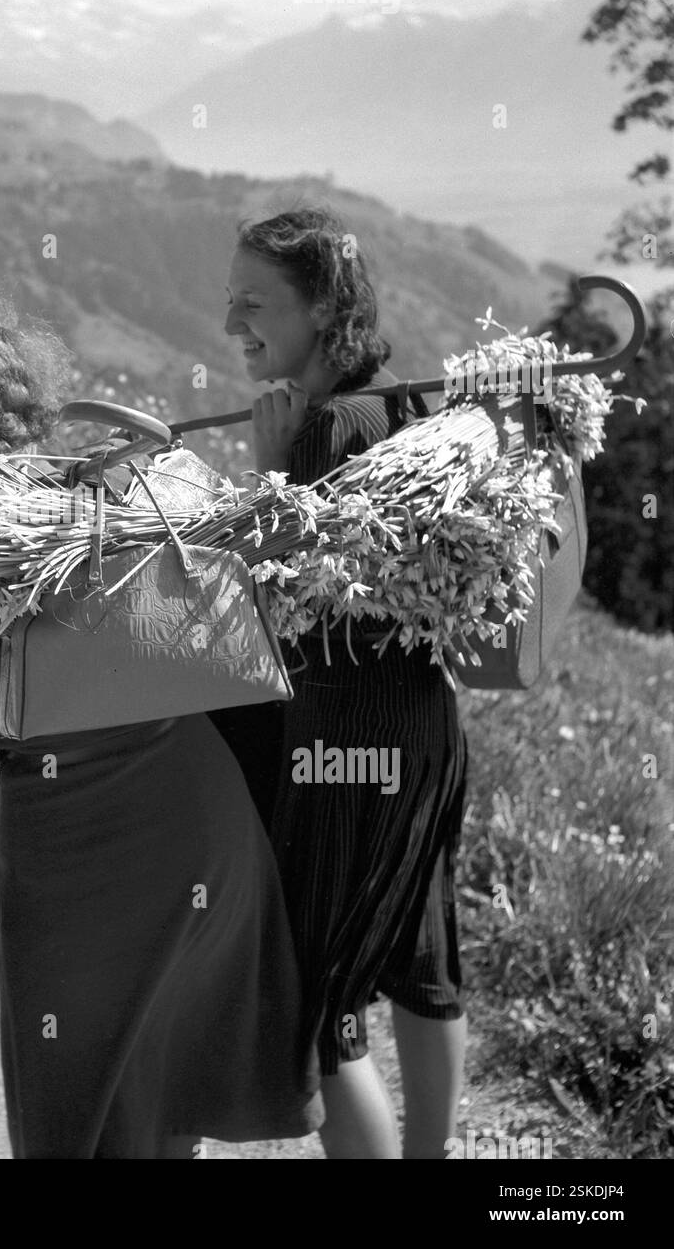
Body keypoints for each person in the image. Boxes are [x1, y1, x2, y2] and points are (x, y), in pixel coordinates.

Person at [0, 299, 323, 1159]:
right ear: (18, 380)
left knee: (85, 1098)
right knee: (172, 1084)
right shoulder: (119, 481)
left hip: (70, 843)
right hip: (200, 814)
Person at [219, 207, 469, 1160]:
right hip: (427, 727)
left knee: (316, 1007)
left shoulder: (326, 431)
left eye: (254, 302)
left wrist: (272, 476)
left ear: (323, 306)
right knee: (423, 964)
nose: (234, 324)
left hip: (345, 741)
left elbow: (297, 614)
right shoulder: (405, 406)